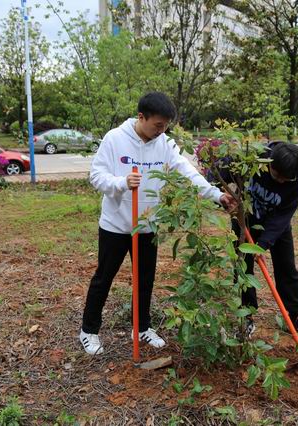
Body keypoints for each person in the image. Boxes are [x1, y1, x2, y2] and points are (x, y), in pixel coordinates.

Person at [79, 92, 236, 355]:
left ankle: (141, 327)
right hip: (115, 226)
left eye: (165, 126)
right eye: (158, 125)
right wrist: (121, 183)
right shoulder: (114, 139)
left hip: (147, 224)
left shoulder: (163, 143)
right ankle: (89, 331)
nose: (161, 131)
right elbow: (96, 176)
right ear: (141, 117)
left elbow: (187, 172)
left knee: (145, 279)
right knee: (103, 279)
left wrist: (216, 194)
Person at [224, 142, 298, 338]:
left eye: (285, 179)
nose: (281, 182)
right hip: (244, 220)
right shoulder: (255, 155)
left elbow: (284, 214)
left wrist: (263, 244)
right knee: (243, 268)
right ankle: (246, 316)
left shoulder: (296, 176)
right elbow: (222, 169)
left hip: (276, 226)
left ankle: (295, 316)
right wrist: (220, 193)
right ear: (269, 164)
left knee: (287, 267)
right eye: (277, 176)